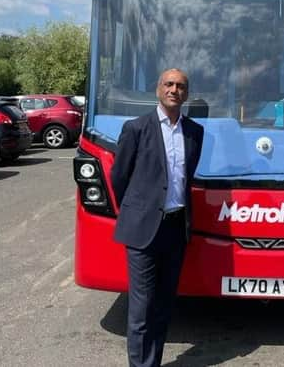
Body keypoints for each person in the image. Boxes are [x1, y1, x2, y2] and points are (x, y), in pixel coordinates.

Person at [111, 68, 204, 367]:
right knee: (142, 308)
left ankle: (153, 361)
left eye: (180, 86)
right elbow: (119, 177)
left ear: (186, 93)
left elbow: (185, 176)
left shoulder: (194, 132)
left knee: (164, 306)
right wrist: (137, 211)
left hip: (176, 228)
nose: (174, 90)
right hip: (143, 230)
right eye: (169, 84)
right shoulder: (136, 128)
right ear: (158, 89)